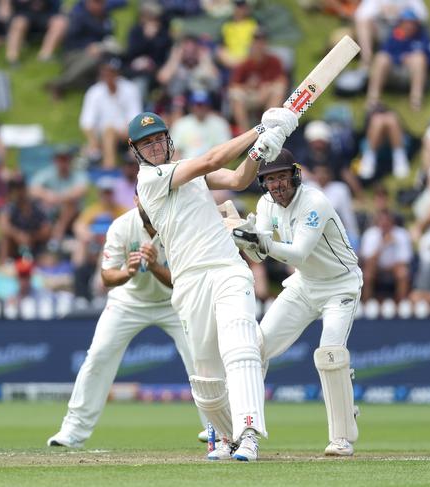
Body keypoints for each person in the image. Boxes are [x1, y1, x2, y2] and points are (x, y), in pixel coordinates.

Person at [132, 107, 291, 461]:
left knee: (241, 347)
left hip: (227, 268)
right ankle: (224, 436)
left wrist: (260, 149)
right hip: (189, 282)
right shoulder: (151, 180)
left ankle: (249, 433)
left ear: (168, 139)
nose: (155, 146)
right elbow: (209, 161)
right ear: (135, 149)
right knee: (206, 375)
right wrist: (259, 128)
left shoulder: (186, 171)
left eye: (159, 138)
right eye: (147, 142)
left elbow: (237, 180)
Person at [232, 149, 362, 456]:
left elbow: (298, 252)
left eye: (281, 177)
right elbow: (260, 253)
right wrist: (246, 241)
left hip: (340, 285)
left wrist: (261, 242)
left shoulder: (315, 203)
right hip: (304, 285)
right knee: (256, 346)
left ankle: (342, 436)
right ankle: (240, 426)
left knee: (330, 353)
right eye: (270, 180)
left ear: (294, 175)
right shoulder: (265, 203)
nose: (277, 185)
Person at [47, 196, 203, 448]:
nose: (151, 204)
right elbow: (107, 277)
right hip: (128, 301)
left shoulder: (180, 225)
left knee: (201, 359)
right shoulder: (121, 226)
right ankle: (73, 431)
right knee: (97, 356)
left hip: (175, 302)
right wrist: (128, 273)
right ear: (136, 199)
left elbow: (182, 281)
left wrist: (153, 266)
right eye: (145, 199)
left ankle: (217, 430)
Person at [365, 8, 430, 111]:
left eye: (411, 23)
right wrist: (401, 58)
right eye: (405, 23)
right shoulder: (395, 35)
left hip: (414, 74)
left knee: (419, 59)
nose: (408, 26)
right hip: (393, 72)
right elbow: (385, 52)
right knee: (381, 58)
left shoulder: (423, 37)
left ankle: (416, 101)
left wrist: (416, 57)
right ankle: (373, 99)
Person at [79, 56, 142, 168]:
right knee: (107, 133)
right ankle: (108, 166)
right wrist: (93, 141)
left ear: (117, 73)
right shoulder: (94, 92)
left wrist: (124, 133)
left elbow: (135, 118)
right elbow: (87, 122)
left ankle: (109, 168)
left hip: (125, 132)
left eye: (111, 72)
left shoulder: (130, 89)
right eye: (105, 72)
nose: (108, 75)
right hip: (100, 134)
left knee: (109, 132)